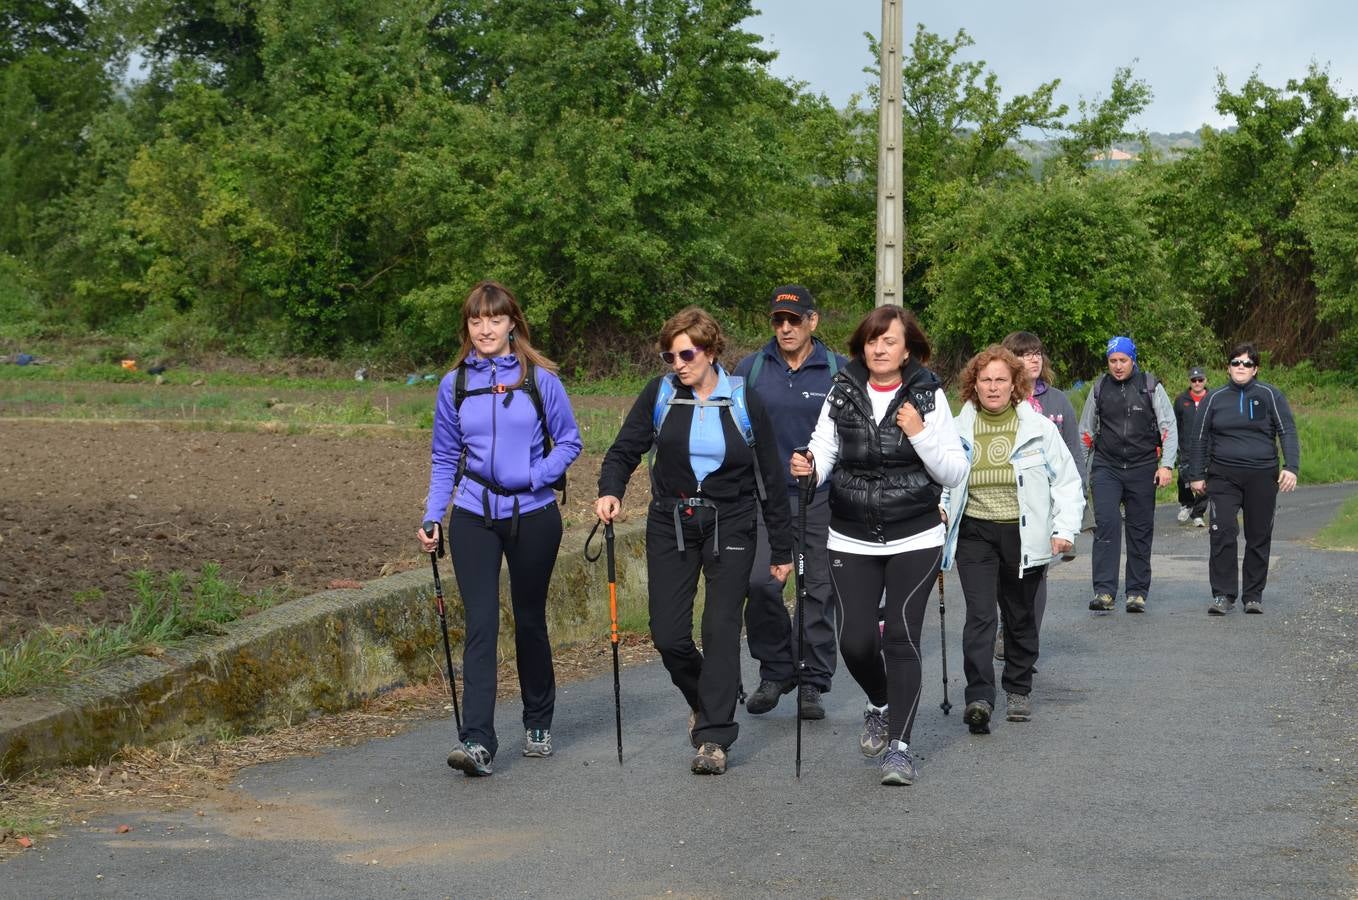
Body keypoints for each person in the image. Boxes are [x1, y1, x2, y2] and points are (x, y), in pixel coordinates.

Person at [595, 307, 792, 775]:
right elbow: (625, 448)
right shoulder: (662, 394)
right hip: (672, 520)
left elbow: (771, 477)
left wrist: (783, 549)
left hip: (733, 522)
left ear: (710, 350)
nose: (677, 363)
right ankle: (707, 699)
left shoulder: (744, 399)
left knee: (720, 627)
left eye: (686, 353)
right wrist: (610, 489)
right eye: (670, 355)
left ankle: (714, 738)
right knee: (668, 635)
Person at [790, 306, 968, 786]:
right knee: (856, 641)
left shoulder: (927, 394)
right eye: (872, 341)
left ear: (907, 348)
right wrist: (810, 464)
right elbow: (825, 448)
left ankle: (901, 748)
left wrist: (920, 432)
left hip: (915, 533)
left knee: (902, 637)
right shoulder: (842, 388)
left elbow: (953, 470)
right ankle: (880, 703)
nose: (879, 349)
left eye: (889, 341)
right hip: (850, 532)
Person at [418, 280, 582, 777]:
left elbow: (569, 443)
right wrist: (432, 514)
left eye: (494, 319)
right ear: (467, 327)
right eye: (476, 320)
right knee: (481, 624)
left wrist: (535, 476)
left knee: (529, 619)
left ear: (513, 323)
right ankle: (477, 741)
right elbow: (445, 455)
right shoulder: (456, 384)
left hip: (533, 515)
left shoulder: (539, 379)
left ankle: (538, 721)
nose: (485, 329)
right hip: (473, 514)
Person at [941, 346, 1083, 733]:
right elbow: (942, 478)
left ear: (1015, 384)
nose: (992, 387)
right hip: (974, 532)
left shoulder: (1039, 429)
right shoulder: (956, 429)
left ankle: (1018, 688)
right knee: (981, 616)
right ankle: (979, 697)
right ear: (973, 384)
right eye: (985, 380)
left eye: (1001, 379)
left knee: (1020, 616)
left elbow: (1068, 482)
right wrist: (940, 510)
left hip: (1025, 533)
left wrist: (1064, 530)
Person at [732, 285, 848, 720]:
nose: (785, 328)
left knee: (817, 590)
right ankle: (777, 669)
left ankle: (813, 681)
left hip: (820, 499)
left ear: (812, 322)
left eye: (793, 320)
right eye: (778, 320)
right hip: (765, 500)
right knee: (761, 585)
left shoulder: (838, 370)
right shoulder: (752, 369)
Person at [1187, 343, 1299, 615]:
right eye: (1236, 362)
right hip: (1223, 476)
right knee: (1222, 530)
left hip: (1262, 476)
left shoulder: (1270, 395)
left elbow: (1288, 432)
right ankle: (1223, 595)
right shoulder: (1214, 398)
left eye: (1247, 363)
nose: (1241, 367)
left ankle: (1253, 595)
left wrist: (1291, 467)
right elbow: (1199, 438)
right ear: (1228, 367)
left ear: (1256, 369)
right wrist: (1196, 475)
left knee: (1258, 534)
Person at [993, 331, 1082, 661]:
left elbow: (1073, 455)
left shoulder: (1057, 401)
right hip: (1007, 501)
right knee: (1005, 569)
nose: (1033, 359)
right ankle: (1006, 625)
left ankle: (1026, 633)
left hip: (1045, 504)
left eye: (1037, 353)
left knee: (1037, 571)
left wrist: (1072, 513)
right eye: (1023, 353)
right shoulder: (999, 397)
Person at [1077, 336, 1177, 613]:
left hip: (1143, 466)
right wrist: (1081, 475)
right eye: (1113, 361)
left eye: (1123, 360)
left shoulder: (1150, 386)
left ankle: (1136, 592)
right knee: (1106, 527)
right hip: (1107, 467)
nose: (1118, 366)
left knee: (1140, 530)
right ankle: (1104, 591)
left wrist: (1166, 465)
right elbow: (1085, 432)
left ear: (1133, 359)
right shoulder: (1099, 388)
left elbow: (1168, 427)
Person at [1174, 367, 1211, 527]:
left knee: (1205, 481)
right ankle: (1186, 503)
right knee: (1185, 479)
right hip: (1186, 448)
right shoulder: (1181, 400)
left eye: (1200, 380)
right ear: (1190, 381)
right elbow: (1174, 423)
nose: (1197, 383)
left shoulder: (1212, 398)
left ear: (1205, 381)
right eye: (1194, 380)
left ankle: (1198, 513)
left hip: (1207, 448)